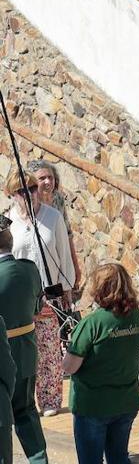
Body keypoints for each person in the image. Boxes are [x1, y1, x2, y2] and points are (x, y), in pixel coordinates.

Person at [62, 262, 139, 464]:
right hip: (126, 401)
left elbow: (69, 367)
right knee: (119, 457)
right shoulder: (136, 317)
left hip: (93, 404)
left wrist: (69, 347)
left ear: (97, 288)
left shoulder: (92, 323)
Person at [6, 174, 74, 422]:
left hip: (48, 294)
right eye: (22, 190)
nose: (30, 193)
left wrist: (67, 289)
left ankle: (49, 399)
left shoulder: (52, 217)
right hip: (19, 296)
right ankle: (18, 400)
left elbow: (63, 255)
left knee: (49, 349)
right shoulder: (7, 222)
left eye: (32, 188)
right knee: (18, 349)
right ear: (12, 194)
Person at [0, 220, 46, 464]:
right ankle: (39, 460)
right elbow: (38, 306)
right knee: (26, 411)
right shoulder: (29, 269)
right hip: (26, 350)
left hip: (2, 355)